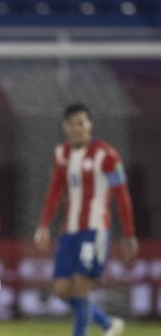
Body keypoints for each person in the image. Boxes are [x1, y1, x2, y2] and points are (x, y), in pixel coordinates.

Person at [34, 103, 138, 336]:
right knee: (61, 289)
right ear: (65, 127)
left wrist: (129, 234)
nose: (76, 128)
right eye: (71, 124)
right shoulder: (61, 154)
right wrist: (43, 225)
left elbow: (122, 196)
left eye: (81, 123)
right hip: (69, 232)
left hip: (95, 231)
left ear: (90, 125)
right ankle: (107, 323)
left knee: (80, 287)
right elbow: (54, 191)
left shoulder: (107, 155)